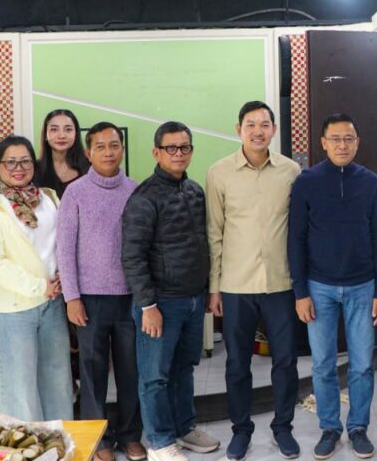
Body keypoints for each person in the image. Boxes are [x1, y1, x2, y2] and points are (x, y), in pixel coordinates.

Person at [206, 101, 302, 461]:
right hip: (236, 286)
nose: (258, 131)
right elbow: (214, 232)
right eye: (251, 124)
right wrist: (214, 287)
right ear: (239, 129)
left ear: (273, 130)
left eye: (264, 124)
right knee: (237, 364)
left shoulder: (291, 171)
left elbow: (299, 230)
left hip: (281, 283)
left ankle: (283, 427)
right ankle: (241, 430)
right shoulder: (219, 173)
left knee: (285, 361)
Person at [288, 113, 377, 459]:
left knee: (362, 364)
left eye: (349, 138)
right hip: (319, 287)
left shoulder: (370, 182)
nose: (342, 145)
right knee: (322, 364)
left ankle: (358, 427)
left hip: (363, 286)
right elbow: (295, 239)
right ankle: (329, 428)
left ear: (357, 142)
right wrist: (300, 292)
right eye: (335, 138)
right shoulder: (307, 181)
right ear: (323, 143)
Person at [122, 121, 220, 461]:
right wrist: (148, 306)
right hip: (160, 303)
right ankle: (160, 442)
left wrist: (205, 291)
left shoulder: (194, 191)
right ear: (156, 152)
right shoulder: (144, 197)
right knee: (155, 377)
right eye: (171, 148)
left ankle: (184, 428)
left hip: (192, 299)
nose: (179, 153)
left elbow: (201, 243)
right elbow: (132, 256)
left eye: (185, 147)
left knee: (184, 368)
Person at [57, 122, 144, 461]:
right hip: (90, 299)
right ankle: (98, 440)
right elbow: (65, 249)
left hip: (130, 297)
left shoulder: (135, 190)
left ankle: (130, 435)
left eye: (114, 145)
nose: (109, 152)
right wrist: (72, 297)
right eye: (101, 146)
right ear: (88, 152)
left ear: (122, 148)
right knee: (92, 373)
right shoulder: (75, 192)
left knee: (130, 369)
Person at [0, 136, 73, 422]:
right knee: (19, 391)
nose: (19, 168)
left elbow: (62, 244)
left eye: (25, 161)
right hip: (12, 311)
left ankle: (62, 443)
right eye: (11, 162)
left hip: (52, 305)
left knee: (58, 383)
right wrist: (40, 286)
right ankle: (26, 446)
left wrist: (64, 276)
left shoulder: (50, 199)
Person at [35, 109, 91, 198]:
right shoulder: (34, 169)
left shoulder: (90, 168)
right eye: (54, 129)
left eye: (68, 129)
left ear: (76, 134)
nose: (61, 136)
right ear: (45, 134)